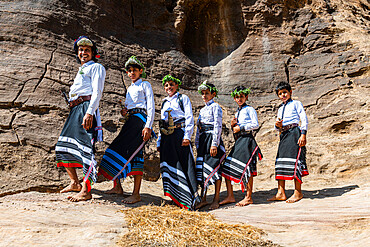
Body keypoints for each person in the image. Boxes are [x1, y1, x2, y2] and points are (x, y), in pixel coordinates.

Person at [98, 56, 155, 204]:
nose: (132, 73)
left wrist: (148, 126)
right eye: (129, 71)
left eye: (135, 70)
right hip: (130, 121)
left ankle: (136, 194)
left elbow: (150, 107)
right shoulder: (130, 88)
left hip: (140, 122)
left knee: (135, 154)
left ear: (141, 71)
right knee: (116, 149)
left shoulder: (145, 85)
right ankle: (117, 186)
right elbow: (130, 107)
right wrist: (125, 111)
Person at [55, 36, 106, 202]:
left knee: (85, 149)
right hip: (76, 108)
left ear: (93, 53)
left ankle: (86, 190)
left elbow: (97, 92)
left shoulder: (96, 67)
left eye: (87, 50)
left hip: (86, 108)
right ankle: (75, 182)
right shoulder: (82, 69)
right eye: (81, 50)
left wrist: (90, 112)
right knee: (62, 145)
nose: (83, 53)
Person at [157, 74, 199, 210]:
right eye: (166, 85)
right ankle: (176, 197)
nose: (169, 87)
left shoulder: (183, 98)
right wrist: (159, 141)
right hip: (167, 136)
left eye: (171, 84)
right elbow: (162, 123)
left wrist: (187, 136)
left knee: (185, 162)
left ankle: (191, 197)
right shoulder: (164, 102)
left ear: (177, 85)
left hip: (180, 134)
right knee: (171, 164)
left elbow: (189, 117)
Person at [220, 86, 263, 206]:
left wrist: (241, 127)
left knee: (247, 168)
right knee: (226, 167)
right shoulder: (237, 112)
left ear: (246, 97)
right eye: (237, 97)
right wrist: (233, 126)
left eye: (241, 97)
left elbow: (255, 124)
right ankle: (230, 196)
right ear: (234, 98)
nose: (239, 99)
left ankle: (248, 197)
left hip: (247, 141)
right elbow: (236, 130)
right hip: (239, 141)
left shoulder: (250, 109)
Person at [268, 81, 308, 203]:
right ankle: (281, 192)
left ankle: (298, 192)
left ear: (290, 92)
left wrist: (303, 134)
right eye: (280, 94)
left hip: (295, 132)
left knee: (295, 161)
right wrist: (277, 125)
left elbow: (303, 118)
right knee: (280, 161)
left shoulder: (296, 103)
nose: (283, 95)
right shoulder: (280, 108)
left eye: (285, 92)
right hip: (284, 135)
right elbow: (278, 125)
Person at [194, 81, 226, 210]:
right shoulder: (202, 110)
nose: (204, 96)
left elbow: (217, 126)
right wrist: (197, 143)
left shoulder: (216, 107)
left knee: (215, 168)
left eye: (207, 93)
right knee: (202, 169)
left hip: (211, 139)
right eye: (203, 93)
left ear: (213, 94)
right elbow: (199, 128)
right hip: (203, 140)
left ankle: (216, 199)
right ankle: (203, 198)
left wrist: (214, 144)